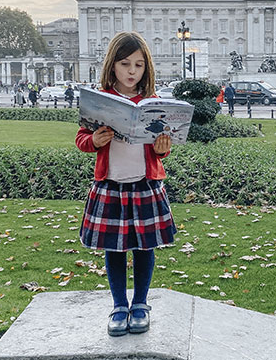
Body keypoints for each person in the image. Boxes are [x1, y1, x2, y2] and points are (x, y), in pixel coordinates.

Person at [75, 32, 175, 337]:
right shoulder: (100, 101)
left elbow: (163, 147)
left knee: (145, 247)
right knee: (114, 249)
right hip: (112, 185)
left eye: (139, 65)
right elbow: (81, 139)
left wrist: (162, 147)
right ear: (112, 65)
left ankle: (141, 303)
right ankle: (119, 305)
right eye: (125, 64)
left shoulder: (152, 102)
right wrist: (94, 140)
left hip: (145, 184)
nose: (132, 71)